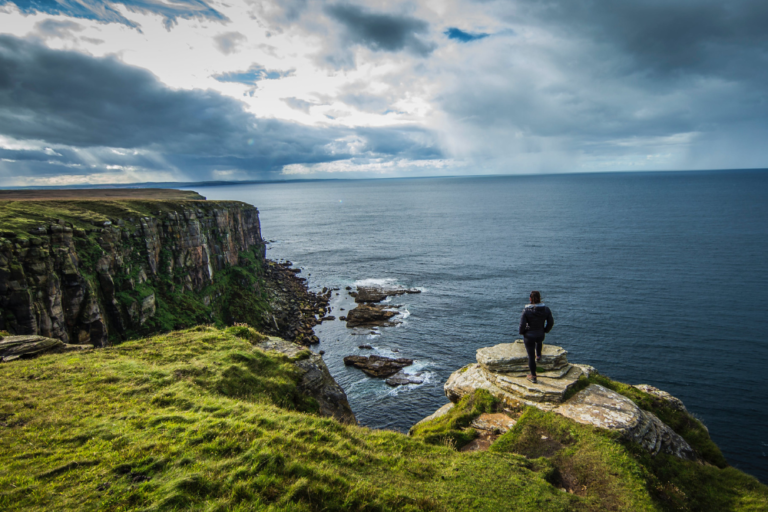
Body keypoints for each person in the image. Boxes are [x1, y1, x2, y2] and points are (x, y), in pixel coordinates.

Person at [518, 290, 554, 384]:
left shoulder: (526, 310)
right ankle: (538, 355)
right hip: (540, 335)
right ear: (540, 298)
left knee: (530, 356)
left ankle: (533, 376)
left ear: (530, 299)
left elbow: (522, 325)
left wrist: (522, 332)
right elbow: (551, 322)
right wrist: (545, 330)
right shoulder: (546, 309)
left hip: (529, 336)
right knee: (539, 341)